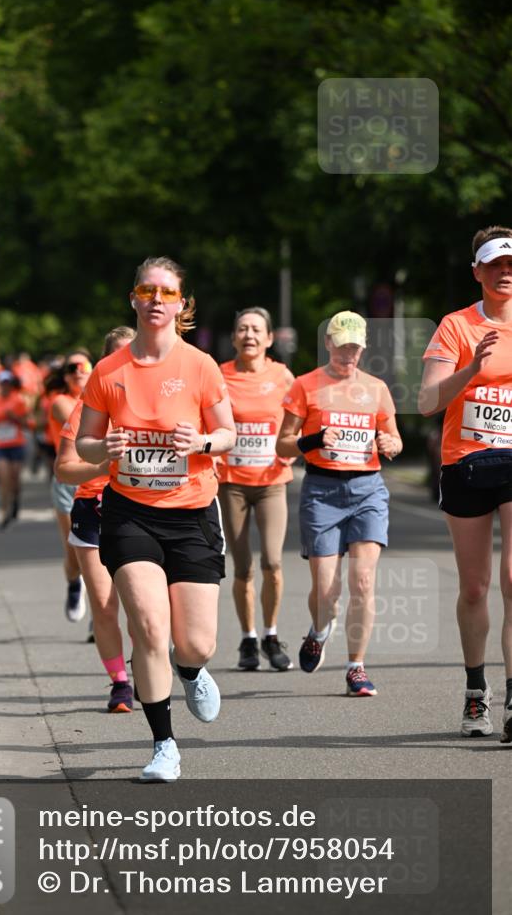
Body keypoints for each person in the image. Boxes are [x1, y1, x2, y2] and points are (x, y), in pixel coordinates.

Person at [76, 257, 236, 781]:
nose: (156, 299)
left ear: (180, 304)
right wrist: (106, 447)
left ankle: (190, 670)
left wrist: (204, 442)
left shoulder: (201, 366)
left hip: (191, 513)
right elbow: (84, 442)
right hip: (129, 513)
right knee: (147, 626)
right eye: (147, 290)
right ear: (134, 298)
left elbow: (228, 434)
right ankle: (164, 744)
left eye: (167, 292)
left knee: (195, 641)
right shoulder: (109, 371)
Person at [276, 311, 403, 696]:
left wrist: (390, 444)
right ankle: (318, 630)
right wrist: (315, 440)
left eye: (354, 346)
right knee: (326, 591)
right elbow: (282, 444)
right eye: (341, 344)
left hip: (367, 491)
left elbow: (394, 438)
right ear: (328, 343)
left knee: (362, 581)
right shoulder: (305, 385)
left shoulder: (376, 388)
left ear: (362, 348)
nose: (348, 353)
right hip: (322, 491)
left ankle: (356, 668)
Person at [419, 226, 512, 743]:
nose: (505, 272)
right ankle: (476, 691)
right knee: (474, 587)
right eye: (495, 264)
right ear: (477, 272)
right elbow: (429, 400)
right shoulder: (456, 327)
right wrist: (472, 370)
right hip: (467, 463)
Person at [55, 326, 136, 712]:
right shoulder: (87, 405)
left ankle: (153, 663)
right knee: (104, 605)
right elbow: (64, 469)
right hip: (95, 510)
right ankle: (120, 682)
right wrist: (103, 464)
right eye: (119, 358)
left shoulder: (159, 400)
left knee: (143, 604)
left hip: (144, 509)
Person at [218, 308, 295, 671]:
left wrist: (292, 452)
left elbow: (301, 417)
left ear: (268, 339)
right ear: (234, 338)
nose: (249, 335)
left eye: (256, 330)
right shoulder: (218, 376)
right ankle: (248, 639)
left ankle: (271, 634)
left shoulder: (282, 376)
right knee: (243, 567)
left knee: (273, 562)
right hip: (231, 483)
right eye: (242, 329)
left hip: (271, 483)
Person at [49, 349, 94, 621]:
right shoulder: (60, 402)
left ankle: (98, 616)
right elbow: (79, 423)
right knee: (75, 553)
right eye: (72, 367)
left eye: (84, 365)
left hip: (97, 477)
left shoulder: (103, 398)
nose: (78, 370)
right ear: (65, 377)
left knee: (101, 553)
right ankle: (75, 584)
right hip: (68, 481)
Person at [0, 371, 30, 529]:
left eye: (7, 383)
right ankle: (4, 512)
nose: (4, 386)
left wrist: (13, 417)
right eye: (2, 383)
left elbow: (26, 423)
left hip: (16, 443)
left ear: (10, 385)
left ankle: (15, 500)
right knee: (4, 477)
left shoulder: (18, 400)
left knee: (15, 479)